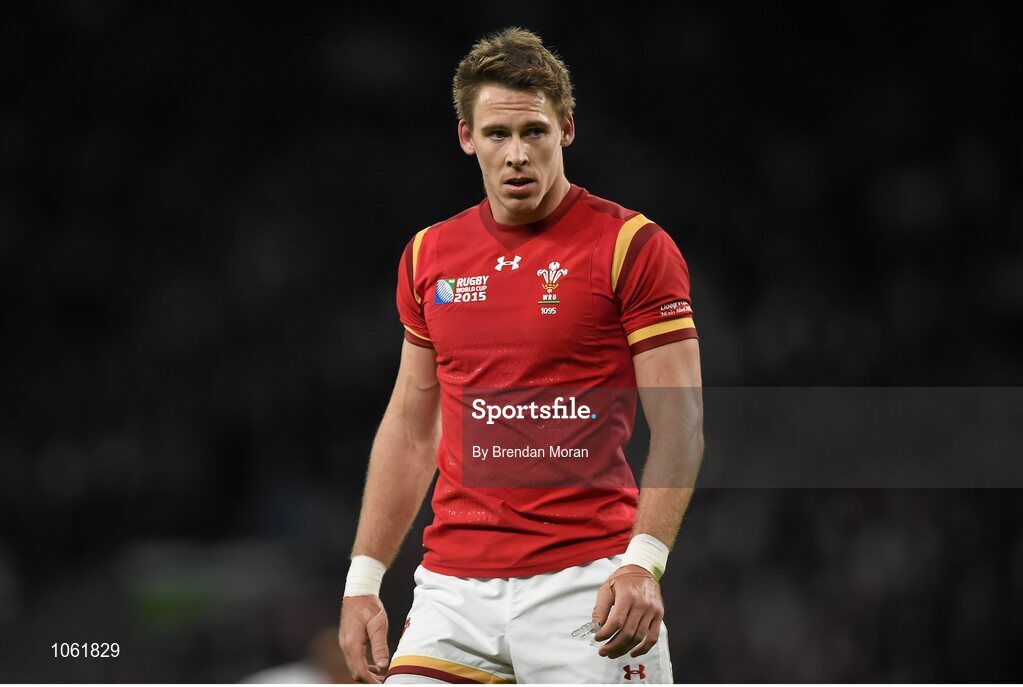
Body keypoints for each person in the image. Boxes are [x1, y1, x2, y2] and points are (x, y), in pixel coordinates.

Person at [339, 27, 703, 684]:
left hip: (587, 584)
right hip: (453, 588)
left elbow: (680, 420)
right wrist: (362, 579)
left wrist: (643, 561)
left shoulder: (632, 246)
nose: (515, 154)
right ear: (465, 136)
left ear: (565, 128)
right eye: (497, 133)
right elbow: (410, 426)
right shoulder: (429, 256)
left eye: (533, 131)